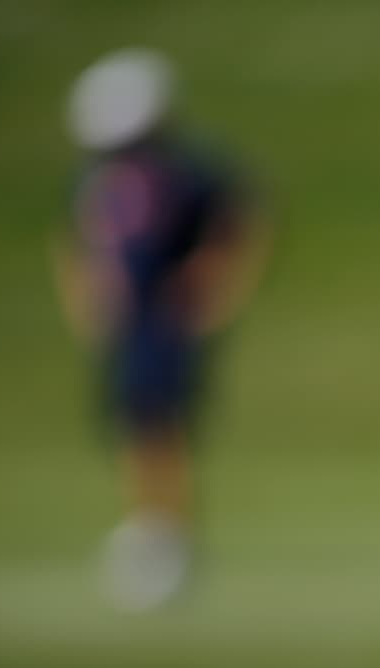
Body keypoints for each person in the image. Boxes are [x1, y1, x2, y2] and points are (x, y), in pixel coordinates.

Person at [53, 47, 267, 610]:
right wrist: (89, 297)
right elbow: (81, 243)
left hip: (165, 320)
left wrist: (211, 286)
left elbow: (237, 221)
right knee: (133, 422)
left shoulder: (187, 172)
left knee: (159, 424)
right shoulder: (99, 177)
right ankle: (149, 528)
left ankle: (165, 537)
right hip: (131, 321)